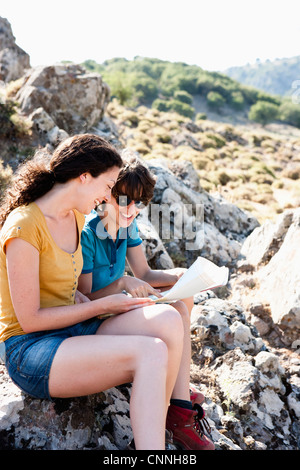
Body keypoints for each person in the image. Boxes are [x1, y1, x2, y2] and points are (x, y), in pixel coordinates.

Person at [0, 134, 188, 450]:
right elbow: (30, 320)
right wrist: (104, 302)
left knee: (170, 318)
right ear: (84, 177)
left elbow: (71, 288)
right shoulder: (24, 227)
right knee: (151, 351)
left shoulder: (74, 215)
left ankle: (169, 417)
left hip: (73, 328)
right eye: (107, 185)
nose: (106, 196)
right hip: (32, 348)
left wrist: (94, 300)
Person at [78, 151, 215, 450]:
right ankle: (178, 412)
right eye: (124, 199)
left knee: (182, 301)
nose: (131, 209)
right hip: (97, 316)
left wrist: (178, 274)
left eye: (139, 202)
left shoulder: (127, 223)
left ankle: (178, 402)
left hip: (119, 309)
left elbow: (145, 272)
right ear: (106, 194)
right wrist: (124, 283)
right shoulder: (89, 231)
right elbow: (85, 298)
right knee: (173, 315)